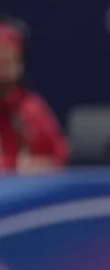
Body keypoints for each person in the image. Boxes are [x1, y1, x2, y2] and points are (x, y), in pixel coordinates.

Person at [0, 17, 69, 174]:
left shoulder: (32, 108)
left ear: (20, 65)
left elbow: (59, 158)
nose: (4, 68)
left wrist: (38, 166)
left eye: (9, 60)